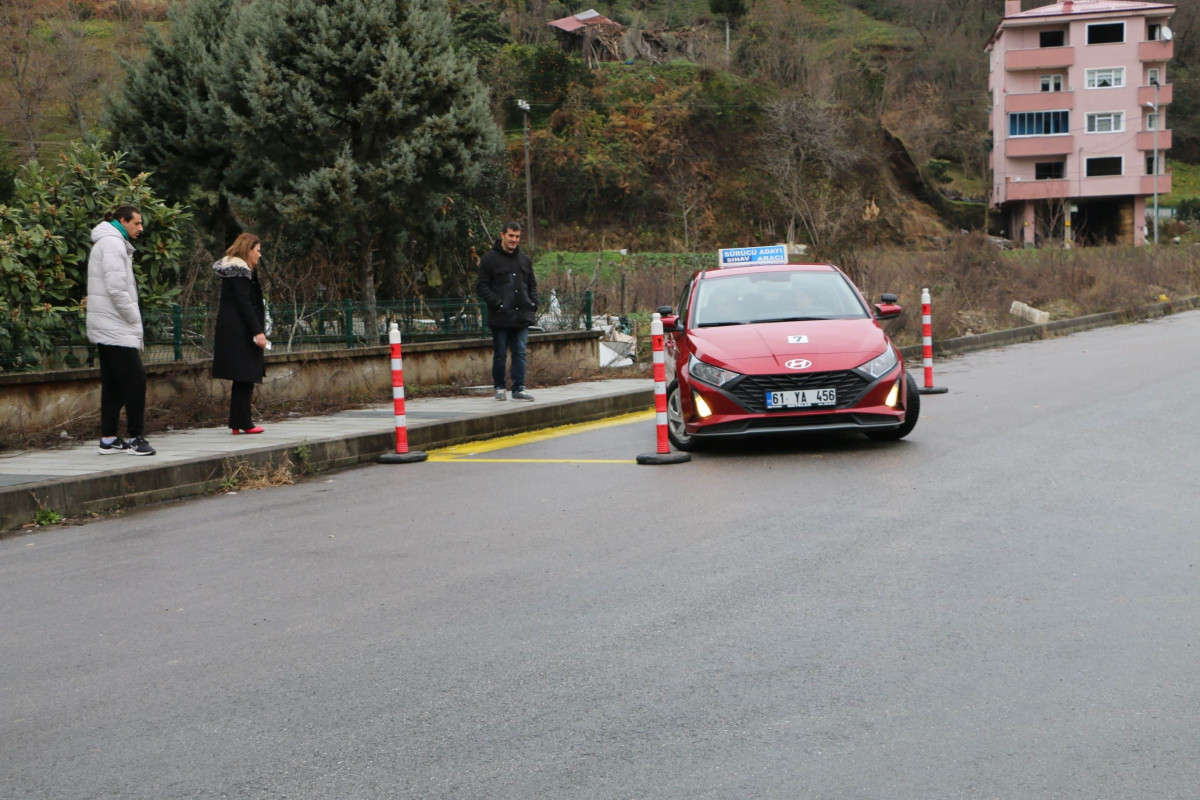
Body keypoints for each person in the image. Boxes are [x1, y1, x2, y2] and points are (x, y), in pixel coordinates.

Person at [86, 205, 156, 456]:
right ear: (123, 221)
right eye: (136, 223)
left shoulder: (106, 242)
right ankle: (137, 438)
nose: (140, 228)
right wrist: (134, 318)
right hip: (116, 326)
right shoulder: (114, 244)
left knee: (114, 384)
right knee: (136, 380)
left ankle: (109, 438)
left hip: (106, 325)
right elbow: (117, 289)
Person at [212, 233, 268, 434]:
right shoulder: (241, 271)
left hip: (233, 330)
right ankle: (242, 422)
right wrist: (258, 331)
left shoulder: (234, 271)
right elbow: (245, 303)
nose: (259, 255)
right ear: (248, 250)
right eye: (258, 250)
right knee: (246, 375)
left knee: (243, 377)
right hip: (241, 331)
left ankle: (239, 422)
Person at [475, 222, 538, 401]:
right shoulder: (489, 259)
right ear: (502, 235)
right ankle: (500, 387)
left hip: (521, 316)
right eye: (511, 236)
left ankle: (519, 387)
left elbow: (532, 285)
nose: (514, 240)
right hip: (500, 316)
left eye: (517, 237)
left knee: (520, 352)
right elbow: (481, 286)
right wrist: (497, 303)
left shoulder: (524, 260)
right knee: (500, 354)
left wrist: (533, 303)